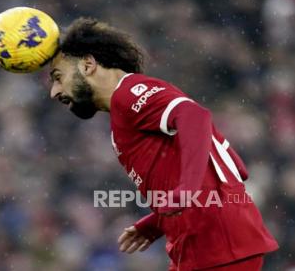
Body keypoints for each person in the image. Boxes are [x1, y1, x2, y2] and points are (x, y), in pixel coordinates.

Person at [48, 18, 278, 271]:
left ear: (88, 64)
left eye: (58, 77)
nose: (54, 91)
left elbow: (194, 117)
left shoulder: (130, 92)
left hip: (218, 246)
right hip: (203, 247)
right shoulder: (123, 114)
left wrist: (186, 190)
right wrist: (158, 222)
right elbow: (231, 164)